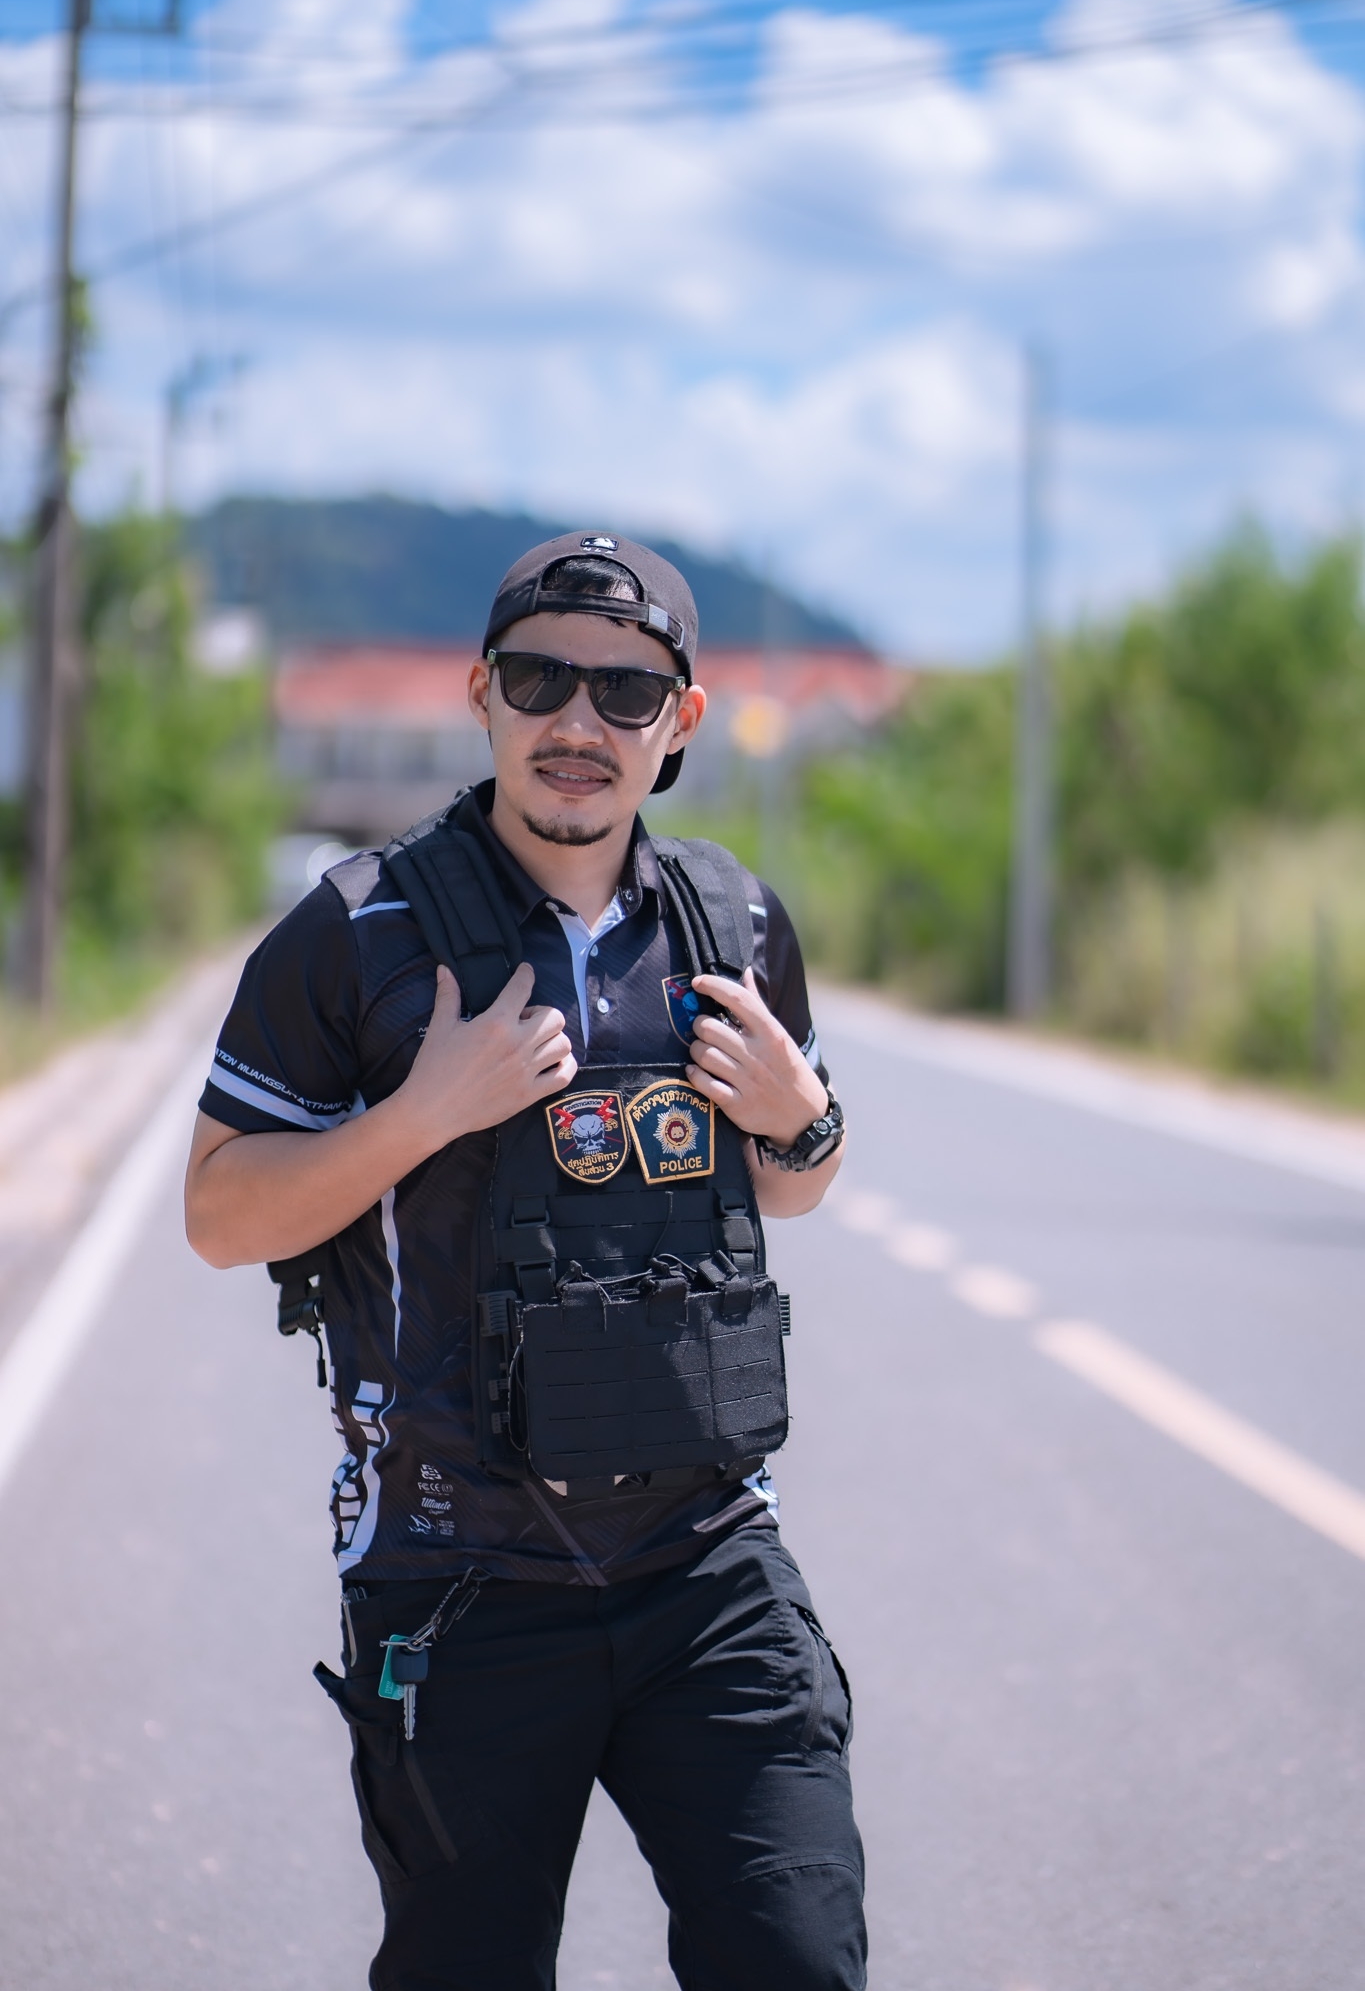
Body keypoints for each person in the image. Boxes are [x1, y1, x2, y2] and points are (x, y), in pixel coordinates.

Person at [184, 532, 866, 1991]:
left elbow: (790, 1188)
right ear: (481, 694)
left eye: (627, 692)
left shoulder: (733, 921)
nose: (579, 721)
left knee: (798, 1959)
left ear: (680, 723)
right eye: (543, 679)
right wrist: (424, 1113)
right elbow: (220, 1213)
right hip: (458, 1578)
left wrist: (803, 1124)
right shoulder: (359, 931)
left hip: (706, 1565)